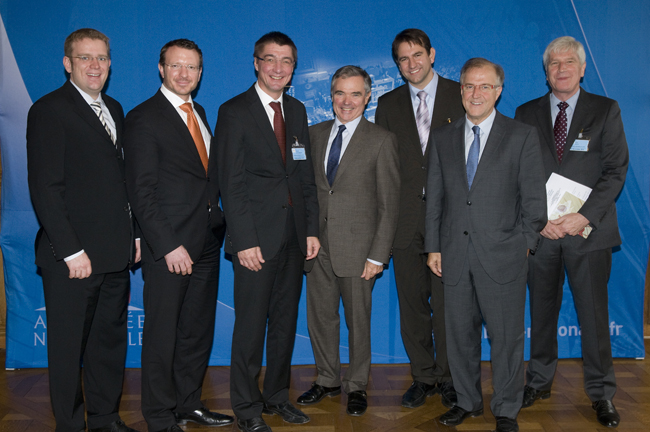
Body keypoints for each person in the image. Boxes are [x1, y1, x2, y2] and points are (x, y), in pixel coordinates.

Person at [425, 58, 547, 432]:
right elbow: (436, 199)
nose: (475, 93)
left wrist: (524, 243)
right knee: (458, 336)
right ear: (460, 90)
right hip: (454, 256)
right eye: (468, 86)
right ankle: (467, 401)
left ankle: (507, 409)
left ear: (498, 91)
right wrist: (433, 247)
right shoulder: (443, 137)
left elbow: (534, 202)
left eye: (484, 86)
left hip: (504, 257)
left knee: (506, 339)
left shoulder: (521, 136)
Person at [26, 28, 138, 432]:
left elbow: (122, 183)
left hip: (114, 254)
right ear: (67, 63)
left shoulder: (115, 108)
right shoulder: (49, 110)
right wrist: (71, 251)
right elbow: (46, 188)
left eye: (102, 58)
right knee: (68, 347)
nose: (95, 66)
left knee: (108, 347)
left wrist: (135, 236)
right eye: (86, 58)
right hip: (72, 259)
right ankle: (71, 426)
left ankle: (106, 419)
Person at [515, 36, 628, 428]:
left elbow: (616, 172)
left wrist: (584, 217)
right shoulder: (524, 112)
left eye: (568, 62)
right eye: (553, 64)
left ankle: (601, 393)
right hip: (542, 234)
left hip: (588, 234)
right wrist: (536, 221)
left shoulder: (605, 109)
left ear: (582, 68)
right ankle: (539, 382)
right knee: (541, 314)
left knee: (594, 317)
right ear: (545, 72)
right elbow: (518, 175)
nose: (560, 69)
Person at [124, 39, 233, 432]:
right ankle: (158, 416)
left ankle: (188, 403)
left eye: (192, 68)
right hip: (170, 246)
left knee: (196, 331)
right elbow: (141, 191)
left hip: (205, 242)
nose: (184, 74)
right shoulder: (143, 118)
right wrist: (167, 244)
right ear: (161, 69)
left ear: (201, 73)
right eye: (176, 66)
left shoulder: (198, 112)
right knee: (162, 335)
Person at [215, 31, 320, 432]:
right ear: (256, 63)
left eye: (287, 61)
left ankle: (276, 398)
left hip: (294, 239)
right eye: (270, 59)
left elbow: (303, 176)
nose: (278, 68)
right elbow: (231, 182)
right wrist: (243, 240)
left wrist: (310, 229)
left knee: (283, 326)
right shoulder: (234, 111)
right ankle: (246, 408)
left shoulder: (296, 109)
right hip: (254, 242)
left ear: (294, 67)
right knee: (250, 328)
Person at [297, 66, 399, 416]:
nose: (347, 101)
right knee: (320, 319)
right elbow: (308, 192)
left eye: (355, 94)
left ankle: (356, 385)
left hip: (359, 252)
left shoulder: (381, 140)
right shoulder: (313, 135)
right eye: (340, 93)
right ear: (331, 95)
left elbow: (389, 205)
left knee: (359, 322)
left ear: (368, 97)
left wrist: (378, 255)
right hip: (316, 248)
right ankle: (326, 379)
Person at [375, 28, 464, 409]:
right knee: (412, 306)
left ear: (432, 53)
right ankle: (423, 377)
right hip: (404, 223)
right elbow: (382, 167)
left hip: (450, 223)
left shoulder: (462, 95)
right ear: (397, 65)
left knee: (448, 306)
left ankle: (448, 378)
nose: (411, 64)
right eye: (403, 59)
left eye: (417, 55)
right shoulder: (387, 102)